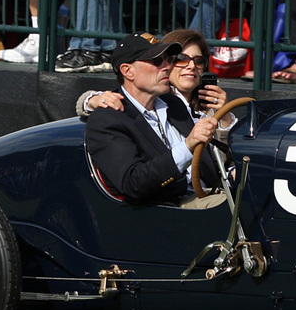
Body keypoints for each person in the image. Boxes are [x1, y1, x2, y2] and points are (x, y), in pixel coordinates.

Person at [83, 33, 220, 204]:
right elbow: (132, 182)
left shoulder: (174, 104)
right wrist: (187, 146)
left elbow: (209, 166)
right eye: (156, 61)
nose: (167, 67)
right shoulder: (108, 119)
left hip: (207, 197)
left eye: (169, 59)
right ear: (128, 71)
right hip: (168, 210)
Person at [77, 28, 235, 119]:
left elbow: (225, 159)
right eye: (181, 59)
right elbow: (115, 99)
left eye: (198, 61)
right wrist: (94, 99)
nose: (192, 66)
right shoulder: (156, 100)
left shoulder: (210, 107)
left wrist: (225, 116)